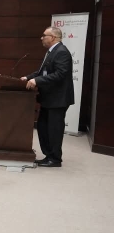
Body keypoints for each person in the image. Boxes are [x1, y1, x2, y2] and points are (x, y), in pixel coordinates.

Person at [21, 26, 74, 167]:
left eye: (44, 35)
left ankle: (55, 159)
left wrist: (37, 81)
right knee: (43, 127)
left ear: (53, 37)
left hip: (58, 99)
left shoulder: (62, 52)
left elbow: (60, 74)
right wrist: (28, 77)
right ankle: (48, 155)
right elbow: (43, 72)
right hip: (49, 98)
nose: (41, 38)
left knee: (54, 129)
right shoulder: (52, 51)